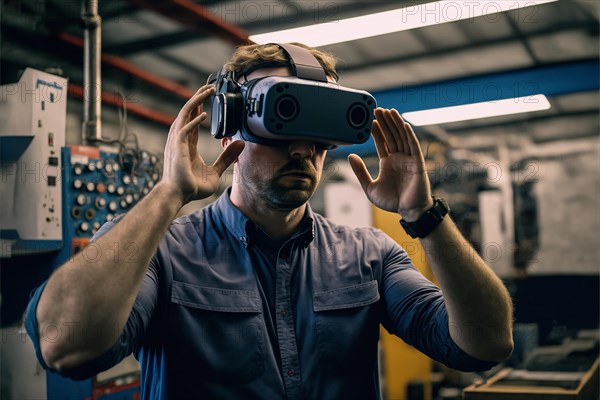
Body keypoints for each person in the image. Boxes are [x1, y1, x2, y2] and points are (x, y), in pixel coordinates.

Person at [26, 43, 513, 399]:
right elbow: (66, 347)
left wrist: (424, 216)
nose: (304, 150)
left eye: (318, 133)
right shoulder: (162, 253)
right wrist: (167, 194)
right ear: (229, 132)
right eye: (283, 124)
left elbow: (485, 344)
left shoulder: (370, 256)